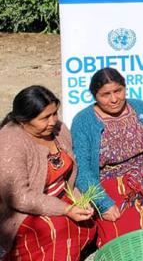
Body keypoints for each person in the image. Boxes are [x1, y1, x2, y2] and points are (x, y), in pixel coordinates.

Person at [72, 68, 143, 247]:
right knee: (116, 225)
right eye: (105, 94)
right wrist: (103, 204)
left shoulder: (141, 108)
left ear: (125, 88)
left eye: (118, 91)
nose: (114, 99)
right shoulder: (83, 121)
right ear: (94, 96)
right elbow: (83, 169)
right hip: (107, 182)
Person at [0, 86, 95, 260]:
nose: (52, 121)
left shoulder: (58, 130)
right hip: (24, 211)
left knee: (88, 219)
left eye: (54, 113)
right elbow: (19, 196)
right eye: (44, 117)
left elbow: (68, 178)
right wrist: (65, 209)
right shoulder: (10, 141)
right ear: (23, 120)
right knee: (56, 228)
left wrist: (79, 199)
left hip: (61, 198)